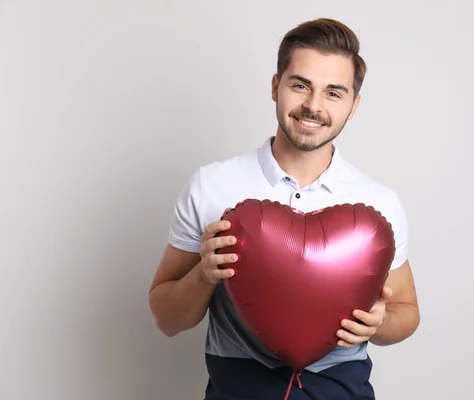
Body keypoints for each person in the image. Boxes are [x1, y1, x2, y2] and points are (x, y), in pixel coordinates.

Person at [149, 17, 420, 400]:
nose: (313, 106)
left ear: (353, 106)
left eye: (334, 93)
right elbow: (166, 319)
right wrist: (203, 275)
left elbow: (407, 313)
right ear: (276, 86)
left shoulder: (377, 205)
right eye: (300, 85)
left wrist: (378, 324)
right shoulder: (211, 186)